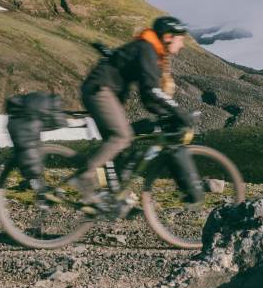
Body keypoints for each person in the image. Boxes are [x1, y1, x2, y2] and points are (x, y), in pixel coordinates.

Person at [73, 16, 193, 204]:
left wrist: (166, 113)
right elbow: (152, 90)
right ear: (168, 37)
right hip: (100, 90)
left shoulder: (151, 50)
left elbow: (148, 98)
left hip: (104, 91)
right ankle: (84, 176)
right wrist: (178, 111)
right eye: (181, 39)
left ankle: (111, 198)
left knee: (124, 146)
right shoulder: (147, 49)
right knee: (122, 137)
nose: (183, 44)